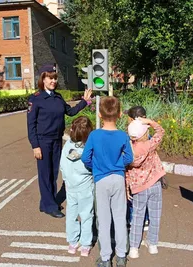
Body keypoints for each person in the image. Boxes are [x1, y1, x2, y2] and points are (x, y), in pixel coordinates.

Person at [27, 63, 92, 218]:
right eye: (50, 78)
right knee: (45, 174)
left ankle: (45, 203)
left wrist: (84, 101)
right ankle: (50, 205)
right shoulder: (36, 99)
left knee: (54, 173)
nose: (53, 81)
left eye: (55, 78)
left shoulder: (58, 97)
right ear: (43, 79)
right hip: (43, 141)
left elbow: (69, 112)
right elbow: (31, 125)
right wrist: (35, 146)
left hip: (56, 140)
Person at [81, 96, 133, 267]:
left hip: (101, 179)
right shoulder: (122, 136)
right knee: (119, 218)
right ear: (119, 115)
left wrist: (95, 167)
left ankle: (105, 258)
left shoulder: (95, 135)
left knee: (103, 220)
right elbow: (129, 158)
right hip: (118, 179)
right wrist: (118, 165)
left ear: (99, 115)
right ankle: (121, 256)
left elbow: (85, 158)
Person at [126, 118, 165, 259]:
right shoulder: (150, 145)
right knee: (155, 215)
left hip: (138, 187)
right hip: (154, 184)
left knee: (137, 216)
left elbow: (126, 171)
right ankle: (153, 244)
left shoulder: (129, 151)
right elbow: (160, 132)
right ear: (144, 134)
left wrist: (126, 188)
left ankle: (134, 248)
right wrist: (150, 121)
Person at [60, 116, 94, 257]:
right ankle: (85, 244)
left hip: (70, 185)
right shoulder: (87, 148)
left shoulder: (68, 145)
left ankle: (72, 242)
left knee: (72, 214)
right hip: (85, 185)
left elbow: (62, 165)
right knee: (86, 215)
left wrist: (66, 180)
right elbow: (89, 167)